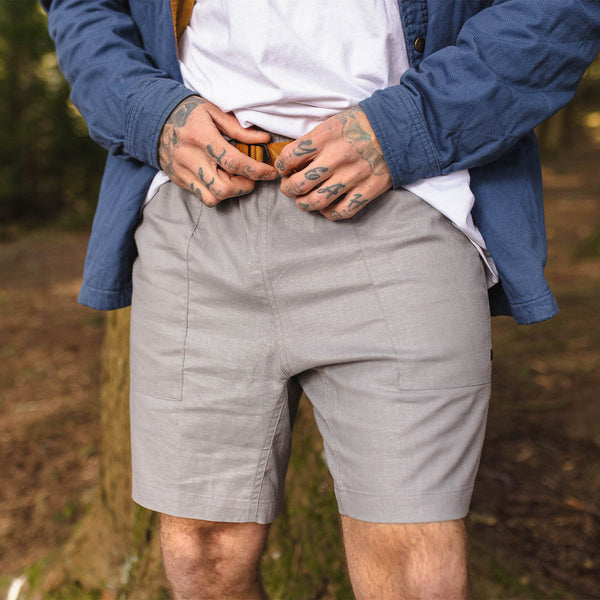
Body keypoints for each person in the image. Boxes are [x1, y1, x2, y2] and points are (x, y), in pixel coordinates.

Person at [41, 0, 600, 598]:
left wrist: (411, 124)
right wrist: (147, 113)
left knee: (412, 566)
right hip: (199, 205)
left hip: (402, 200)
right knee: (201, 554)